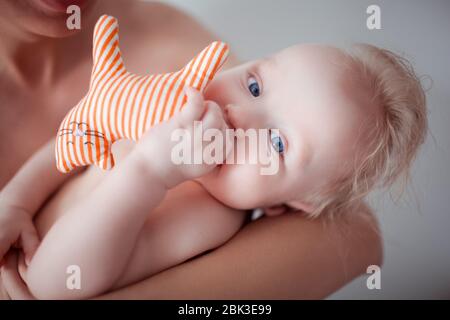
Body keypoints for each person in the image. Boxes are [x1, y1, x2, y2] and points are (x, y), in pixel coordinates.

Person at [0, 0, 384, 299]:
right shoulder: (176, 106)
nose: (240, 116)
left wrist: (147, 171)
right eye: (253, 87)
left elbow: (53, 283)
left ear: (290, 204)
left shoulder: (205, 217)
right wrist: (16, 199)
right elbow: (81, 136)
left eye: (278, 143)